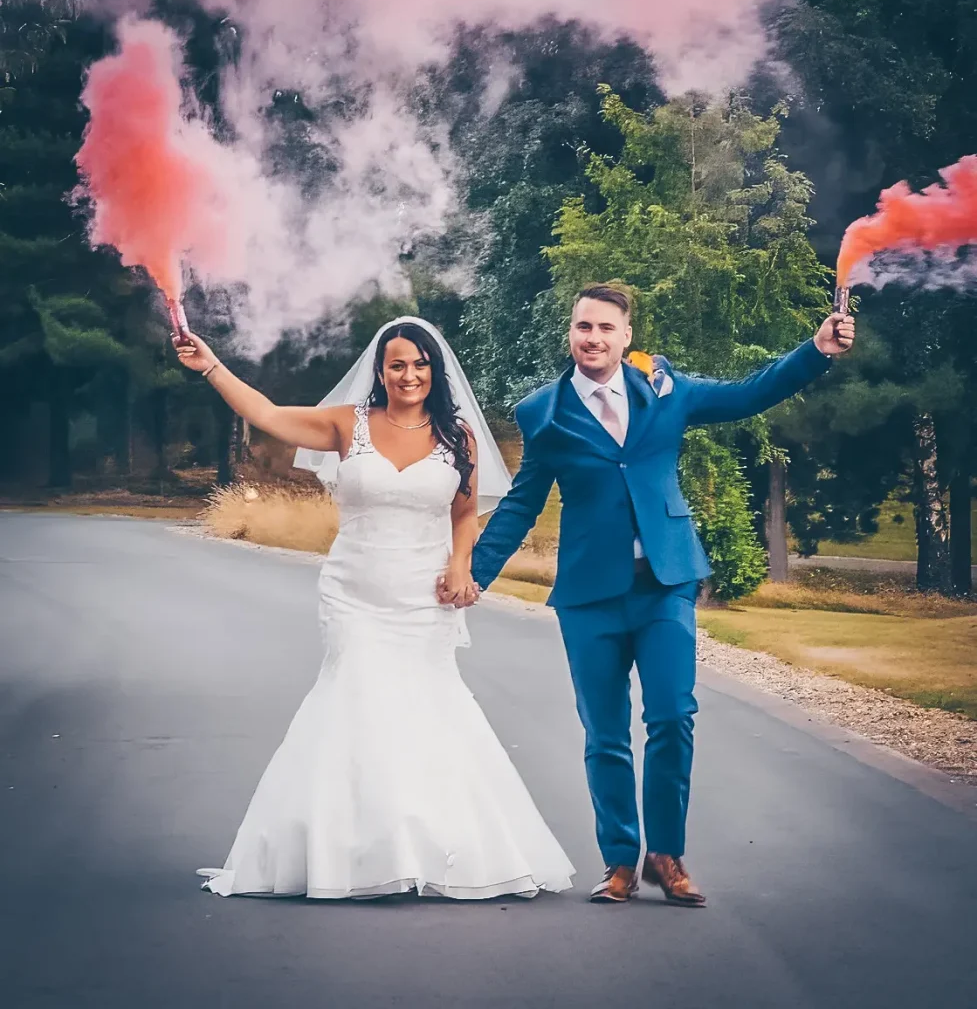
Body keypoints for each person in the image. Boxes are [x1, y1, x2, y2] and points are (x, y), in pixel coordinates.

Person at [463, 283, 855, 906]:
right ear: (571, 332)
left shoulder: (668, 392)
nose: (591, 338)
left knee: (673, 716)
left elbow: (749, 394)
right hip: (590, 595)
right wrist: (475, 572)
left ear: (625, 337)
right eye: (581, 327)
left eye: (604, 329)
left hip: (666, 584)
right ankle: (620, 861)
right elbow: (523, 501)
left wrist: (816, 350)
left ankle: (666, 856)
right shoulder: (543, 411)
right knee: (605, 732)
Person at [175, 316, 574, 899]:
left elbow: (465, 513)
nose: (408, 375)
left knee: (426, 707)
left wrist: (462, 563)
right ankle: (348, 853)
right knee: (355, 699)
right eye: (397, 364)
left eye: (419, 364)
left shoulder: (456, 436)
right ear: (380, 370)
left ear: (434, 371)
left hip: (423, 593)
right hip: (354, 591)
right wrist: (211, 366)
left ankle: (431, 847)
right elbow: (267, 414)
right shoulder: (346, 424)